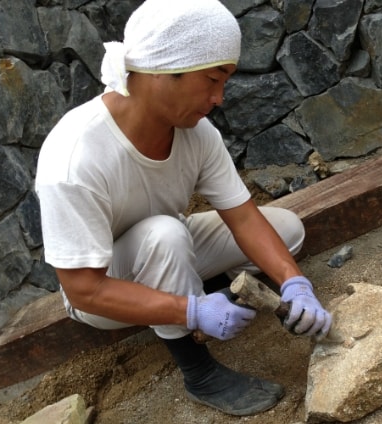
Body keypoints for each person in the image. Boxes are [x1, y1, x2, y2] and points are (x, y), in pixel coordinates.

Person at [34, 0, 331, 416]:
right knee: (165, 235)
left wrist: (295, 284)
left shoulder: (196, 134)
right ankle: (199, 371)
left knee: (286, 230)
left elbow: (244, 216)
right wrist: (190, 310)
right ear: (160, 70)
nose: (219, 98)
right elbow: (83, 289)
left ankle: (202, 294)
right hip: (101, 288)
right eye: (212, 79)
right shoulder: (75, 158)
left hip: (164, 242)